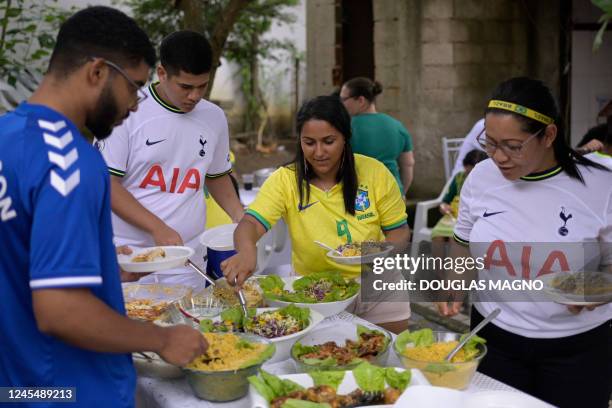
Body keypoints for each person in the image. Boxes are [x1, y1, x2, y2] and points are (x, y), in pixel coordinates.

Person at [0, 7, 206, 407]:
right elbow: (60, 310)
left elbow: (21, 255)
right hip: (75, 391)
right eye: (134, 87)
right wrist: (162, 338)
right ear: (97, 72)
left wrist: (105, 265)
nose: (135, 104)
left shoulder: (7, 138)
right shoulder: (70, 160)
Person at [437, 77, 611, 408]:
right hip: (494, 337)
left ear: (548, 135)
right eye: (490, 143)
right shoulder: (482, 177)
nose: (498, 157)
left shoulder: (601, 184)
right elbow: (463, 240)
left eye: (513, 146)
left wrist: (596, 291)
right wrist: (454, 281)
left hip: (577, 349)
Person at [221, 95, 412, 333]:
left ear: (345, 138)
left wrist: (380, 253)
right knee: (324, 359)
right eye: (309, 142)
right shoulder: (285, 180)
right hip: (316, 293)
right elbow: (249, 224)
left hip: (378, 286)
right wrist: (247, 251)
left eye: (329, 141)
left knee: (386, 358)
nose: (319, 152)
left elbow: (400, 232)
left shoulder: (375, 173)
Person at [98, 30, 243, 290]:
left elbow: (217, 175)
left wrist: (240, 218)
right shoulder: (127, 111)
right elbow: (105, 184)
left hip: (186, 259)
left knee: (187, 325)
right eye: (186, 87)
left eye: (202, 86)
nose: (195, 96)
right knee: (133, 326)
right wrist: (157, 228)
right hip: (130, 259)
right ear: (162, 73)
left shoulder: (214, 117)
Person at [340, 77, 415, 198]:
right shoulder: (397, 126)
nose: (341, 103)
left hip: (359, 196)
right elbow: (408, 165)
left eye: (344, 99)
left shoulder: (344, 128)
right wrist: (402, 193)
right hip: (392, 193)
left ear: (360, 100)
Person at [431, 149, 487, 241]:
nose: (470, 177)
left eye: (475, 173)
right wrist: (443, 207)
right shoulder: (459, 178)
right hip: (453, 218)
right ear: (465, 167)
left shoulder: (489, 182)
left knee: (455, 239)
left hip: (476, 220)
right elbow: (446, 201)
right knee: (437, 237)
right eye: (468, 172)